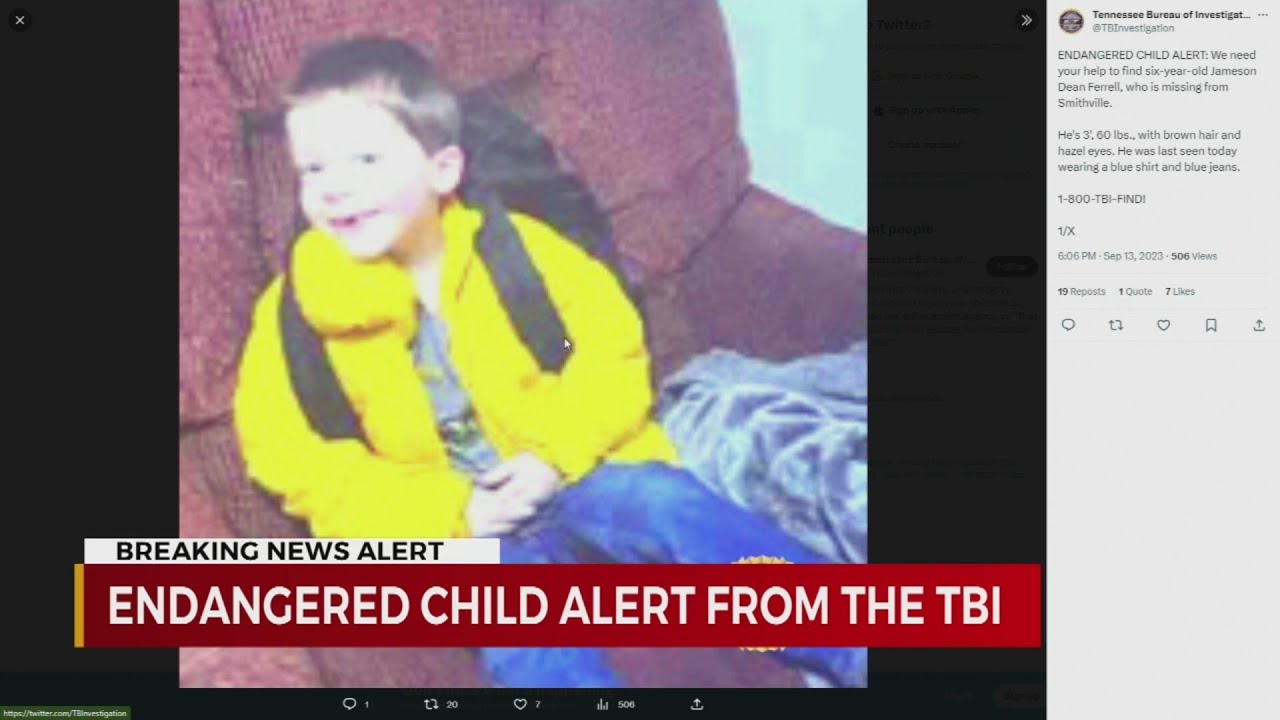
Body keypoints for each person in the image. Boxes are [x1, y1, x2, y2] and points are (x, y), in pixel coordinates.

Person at [233, 37, 865, 689]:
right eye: (311, 170)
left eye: (365, 159)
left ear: (442, 169)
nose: (334, 188)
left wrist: (551, 459)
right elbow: (291, 457)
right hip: (457, 539)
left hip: (571, 473)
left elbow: (609, 355)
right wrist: (449, 513)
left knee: (666, 503)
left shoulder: (522, 252)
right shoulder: (293, 313)